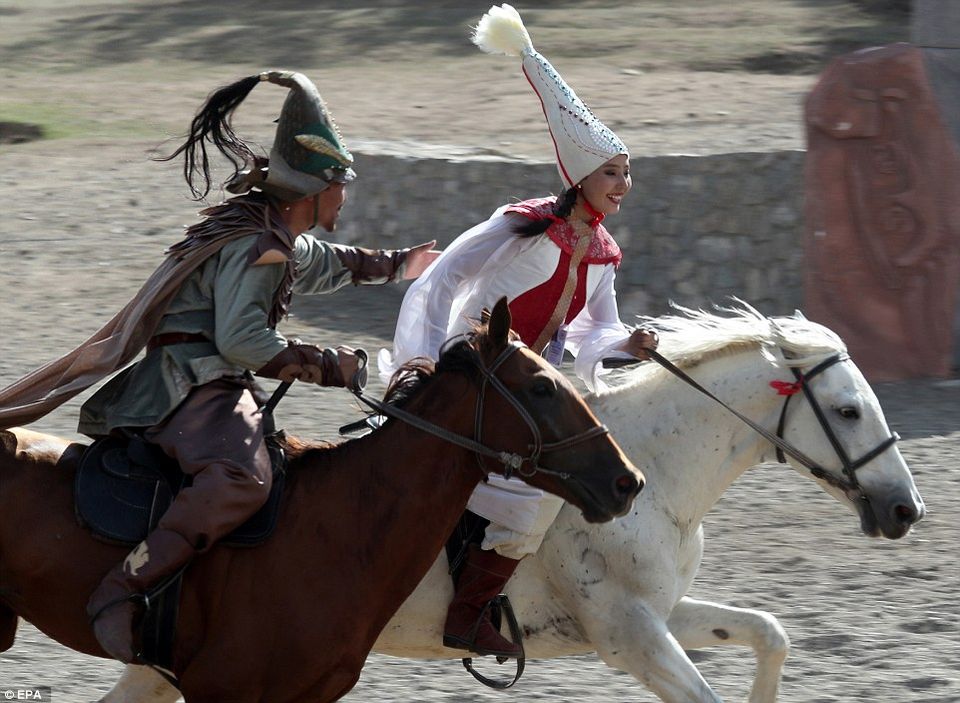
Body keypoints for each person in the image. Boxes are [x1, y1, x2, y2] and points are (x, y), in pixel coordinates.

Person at [0, 70, 437, 663]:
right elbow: (241, 342)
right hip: (190, 383)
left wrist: (403, 264)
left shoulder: (265, 230)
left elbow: (324, 262)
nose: (345, 195)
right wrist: (331, 367)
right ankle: (124, 587)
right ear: (313, 190)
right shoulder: (259, 245)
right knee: (243, 477)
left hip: (205, 377)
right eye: (341, 185)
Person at [378, 5, 658, 659]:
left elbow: (595, 330)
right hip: (472, 364)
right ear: (581, 176)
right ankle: (466, 611)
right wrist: (421, 360)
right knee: (532, 493)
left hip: (535, 377)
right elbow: (441, 280)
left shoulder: (603, 253)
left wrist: (628, 344)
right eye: (613, 171)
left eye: (626, 171)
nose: (624, 183)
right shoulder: (522, 224)